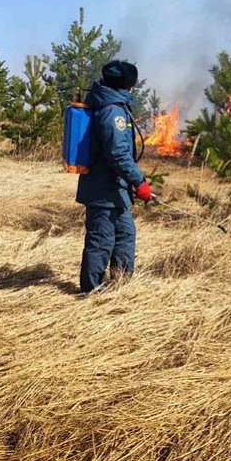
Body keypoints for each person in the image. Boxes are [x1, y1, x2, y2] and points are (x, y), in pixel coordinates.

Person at [76, 60, 152, 294]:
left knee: (125, 234)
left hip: (115, 190)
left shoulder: (110, 105)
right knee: (101, 240)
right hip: (103, 191)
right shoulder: (112, 112)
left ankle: (121, 284)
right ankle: (92, 291)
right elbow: (119, 155)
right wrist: (139, 182)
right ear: (127, 86)